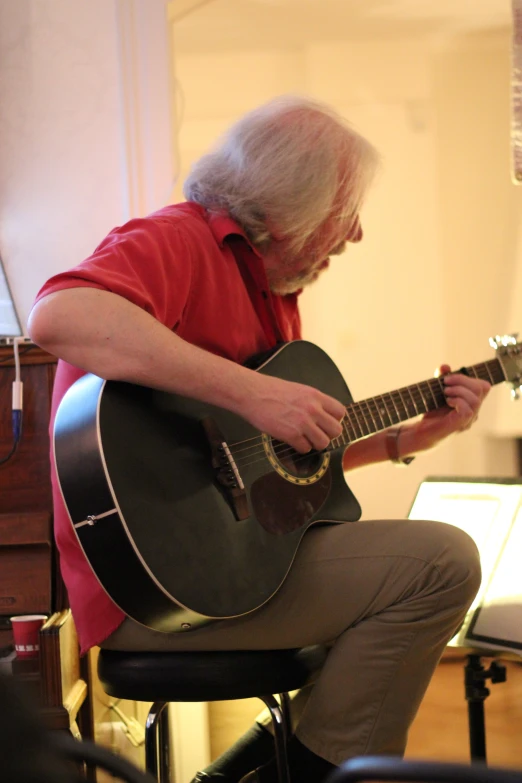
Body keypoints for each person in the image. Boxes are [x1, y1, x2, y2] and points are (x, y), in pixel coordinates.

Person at [28, 95, 490, 783]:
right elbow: (58, 314)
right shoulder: (177, 242)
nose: (354, 233)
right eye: (343, 209)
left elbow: (277, 465)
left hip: (224, 569)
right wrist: (253, 391)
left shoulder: (274, 293)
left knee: (406, 587)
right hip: (149, 590)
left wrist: (405, 440)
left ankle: (250, 773)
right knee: (441, 562)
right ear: (285, 207)